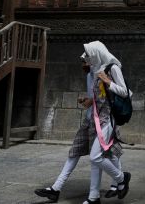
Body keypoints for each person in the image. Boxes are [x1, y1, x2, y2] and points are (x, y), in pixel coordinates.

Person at [35, 55, 123, 202]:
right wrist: (87, 100)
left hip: (105, 121)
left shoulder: (107, 71)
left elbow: (117, 95)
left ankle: (117, 182)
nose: (83, 65)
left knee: (109, 154)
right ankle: (56, 188)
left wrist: (107, 83)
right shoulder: (91, 75)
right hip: (90, 120)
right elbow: (95, 98)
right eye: (81, 62)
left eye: (85, 61)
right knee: (75, 152)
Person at [82, 41, 132, 204]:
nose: (88, 58)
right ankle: (93, 197)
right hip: (97, 118)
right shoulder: (97, 70)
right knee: (97, 158)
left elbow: (125, 92)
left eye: (90, 54)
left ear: (97, 52)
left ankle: (120, 178)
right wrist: (90, 101)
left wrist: (108, 82)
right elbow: (101, 97)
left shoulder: (113, 68)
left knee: (95, 157)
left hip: (108, 119)